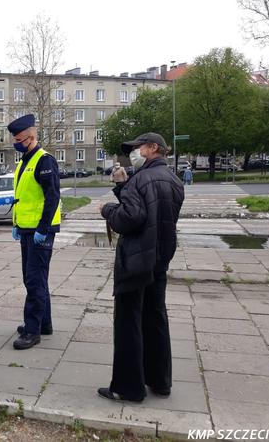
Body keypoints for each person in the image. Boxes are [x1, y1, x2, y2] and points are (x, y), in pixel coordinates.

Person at [98, 133, 184, 402]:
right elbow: (149, 211)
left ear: (153, 148)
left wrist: (108, 210)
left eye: (138, 147)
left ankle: (127, 387)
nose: (133, 152)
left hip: (135, 260)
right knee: (155, 317)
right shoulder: (173, 179)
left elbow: (129, 218)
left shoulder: (142, 179)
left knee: (128, 323)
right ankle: (160, 381)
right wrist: (123, 186)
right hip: (159, 258)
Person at [7, 114, 62, 350]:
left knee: (34, 280)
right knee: (35, 279)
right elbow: (25, 197)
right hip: (27, 230)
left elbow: (52, 197)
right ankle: (44, 324)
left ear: (31, 137)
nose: (15, 143)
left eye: (19, 139)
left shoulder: (44, 160)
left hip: (40, 231)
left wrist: (43, 228)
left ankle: (32, 331)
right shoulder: (24, 162)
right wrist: (18, 225)